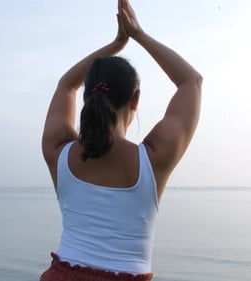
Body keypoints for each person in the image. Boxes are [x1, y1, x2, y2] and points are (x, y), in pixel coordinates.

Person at [40, 0, 202, 280]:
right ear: (135, 99)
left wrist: (116, 44)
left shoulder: (59, 151)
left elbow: (66, 84)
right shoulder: (153, 159)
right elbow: (191, 81)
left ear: (86, 95)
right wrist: (138, 34)